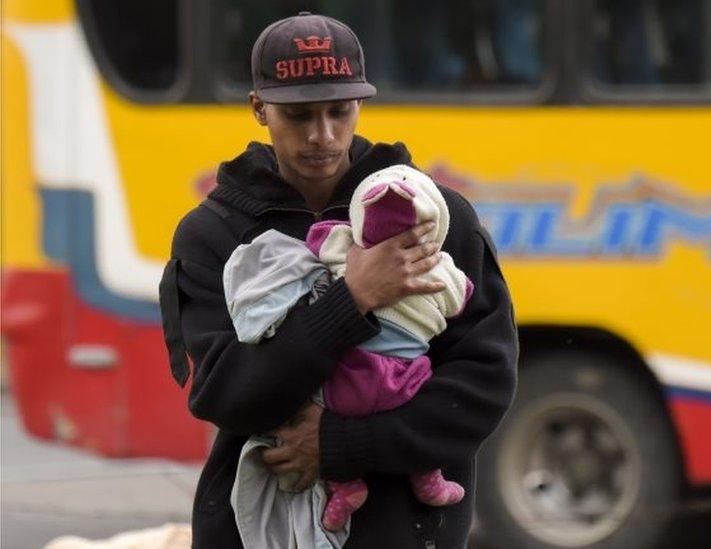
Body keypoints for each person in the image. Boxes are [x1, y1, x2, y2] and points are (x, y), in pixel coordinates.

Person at [158, 12, 518, 549]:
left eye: (338, 111)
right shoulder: (212, 234)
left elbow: (483, 383)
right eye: (298, 116)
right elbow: (226, 394)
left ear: (360, 106)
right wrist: (350, 299)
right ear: (260, 109)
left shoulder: (435, 216)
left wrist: (344, 443)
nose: (321, 136)